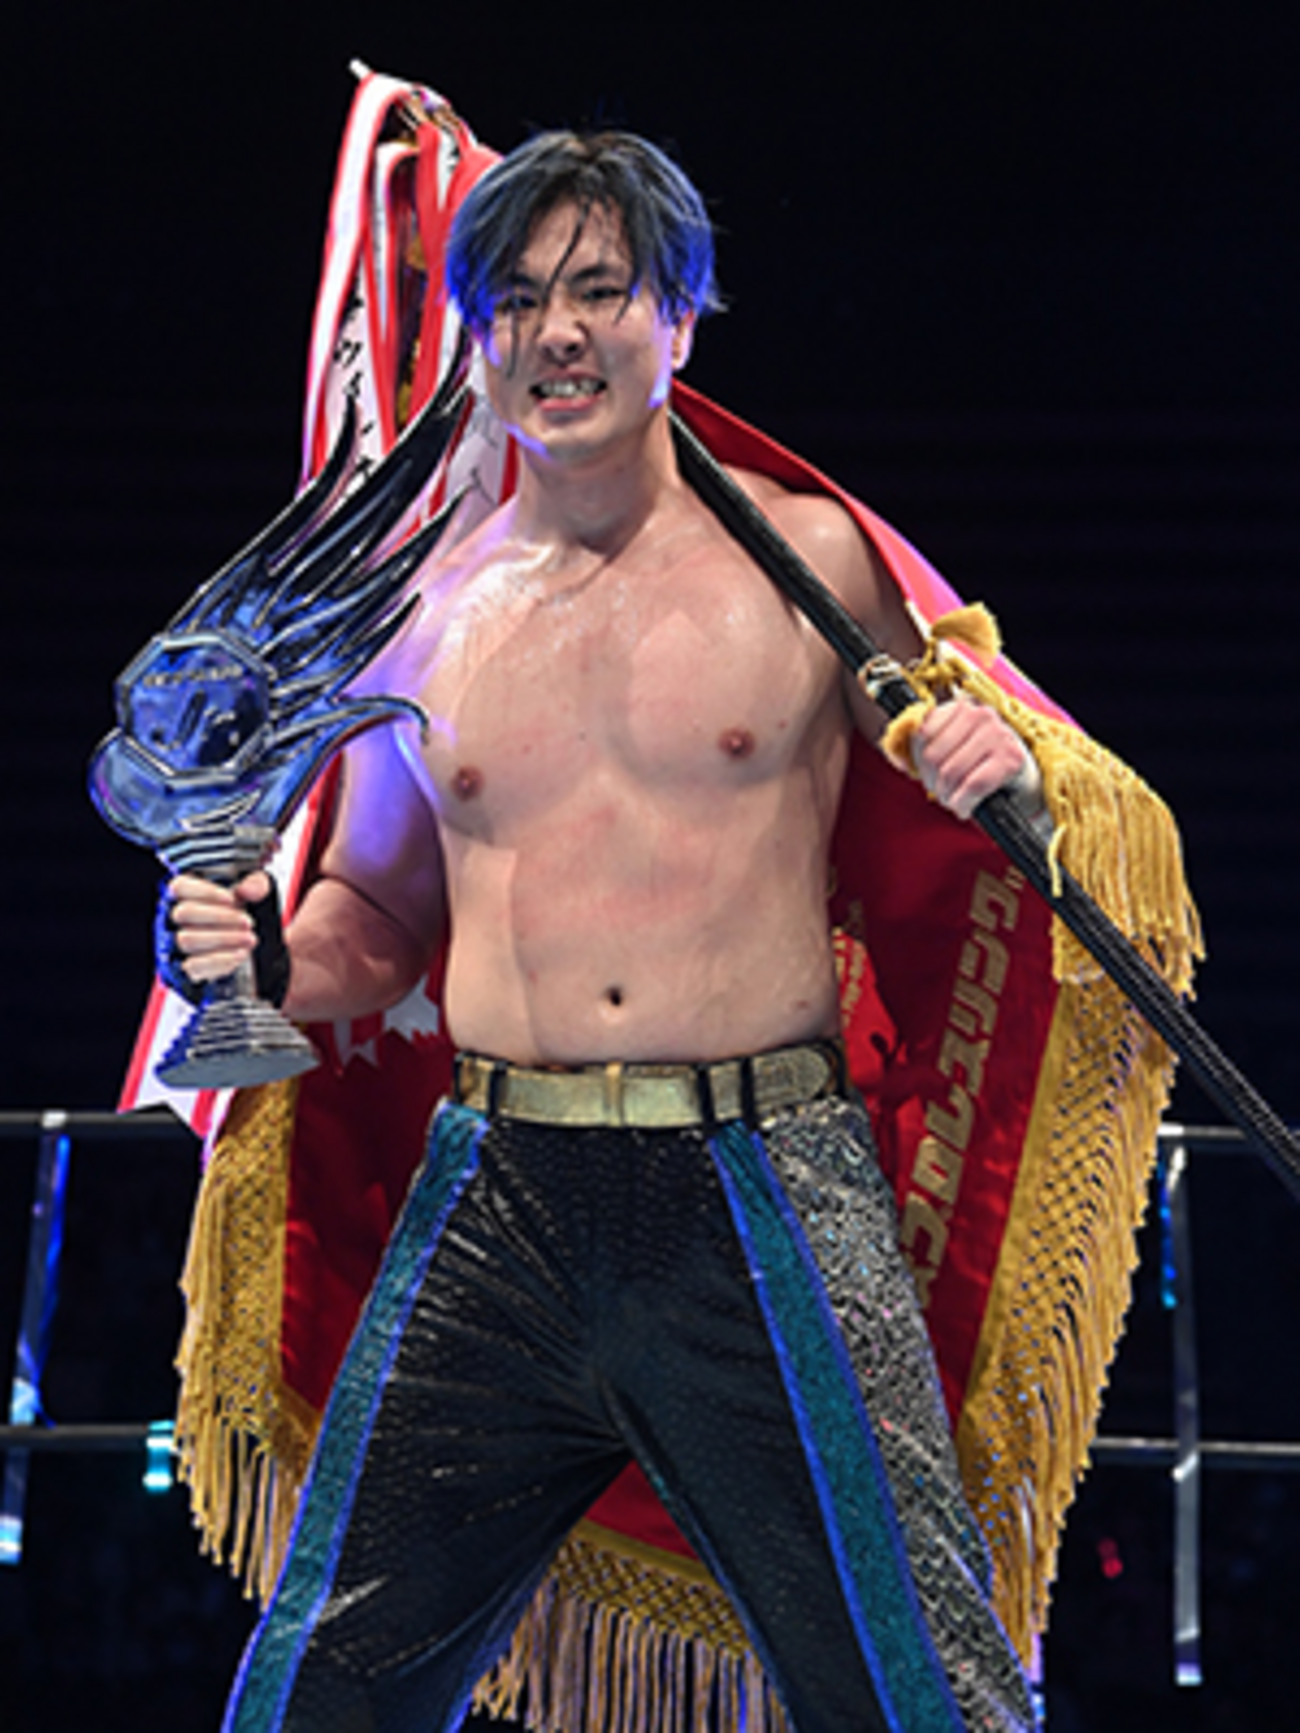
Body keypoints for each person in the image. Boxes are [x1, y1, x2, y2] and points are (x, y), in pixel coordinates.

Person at [165, 130, 1054, 1733]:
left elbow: (965, 789)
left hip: (759, 1187)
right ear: (478, 339)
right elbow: (379, 917)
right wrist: (264, 958)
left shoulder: (810, 562)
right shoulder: (424, 617)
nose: (557, 332)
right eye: (515, 300)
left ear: (680, 319)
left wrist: (1010, 771)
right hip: (498, 1193)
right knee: (320, 1690)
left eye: (599, 289)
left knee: (926, 1696)